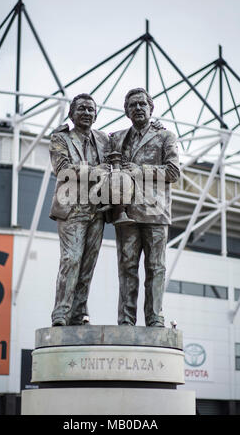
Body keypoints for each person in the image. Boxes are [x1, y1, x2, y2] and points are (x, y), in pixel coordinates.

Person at [110, 88, 180, 327]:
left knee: (155, 268)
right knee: (126, 268)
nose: (138, 108)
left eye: (142, 104)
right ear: (126, 111)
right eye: (133, 105)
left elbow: (173, 172)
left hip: (155, 213)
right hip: (126, 214)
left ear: (151, 108)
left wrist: (140, 171)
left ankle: (155, 318)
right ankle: (126, 320)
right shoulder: (116, 138)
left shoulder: (165, 136)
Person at [49, 93, 110, 326]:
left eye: (90, 110)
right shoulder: (60, 137)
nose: (86, 113)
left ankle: (78, 313)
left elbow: (127, 144)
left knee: (87, 265)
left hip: (97, 209)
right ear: (71, 113)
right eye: (81, 109)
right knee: (71, 259)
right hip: (72, 208)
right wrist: (98, 172)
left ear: (96, 115)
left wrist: (156, 125)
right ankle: (61, 314)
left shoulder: (104, 139)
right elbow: (64, 169)